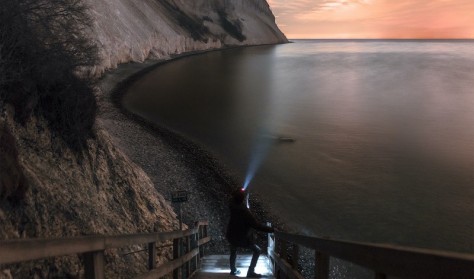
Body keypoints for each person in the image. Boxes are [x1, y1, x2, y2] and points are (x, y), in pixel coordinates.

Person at [226, 187, 274, 278]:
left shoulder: (231, 205)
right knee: (257, 250)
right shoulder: (245, 212)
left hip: (231, 235)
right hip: (242, 237)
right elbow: (257, 226)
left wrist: (239, 191)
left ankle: (233, 270)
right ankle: (250, 272)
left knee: (233, 250)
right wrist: (272, 229)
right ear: (242, 199)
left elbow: (232, 197)